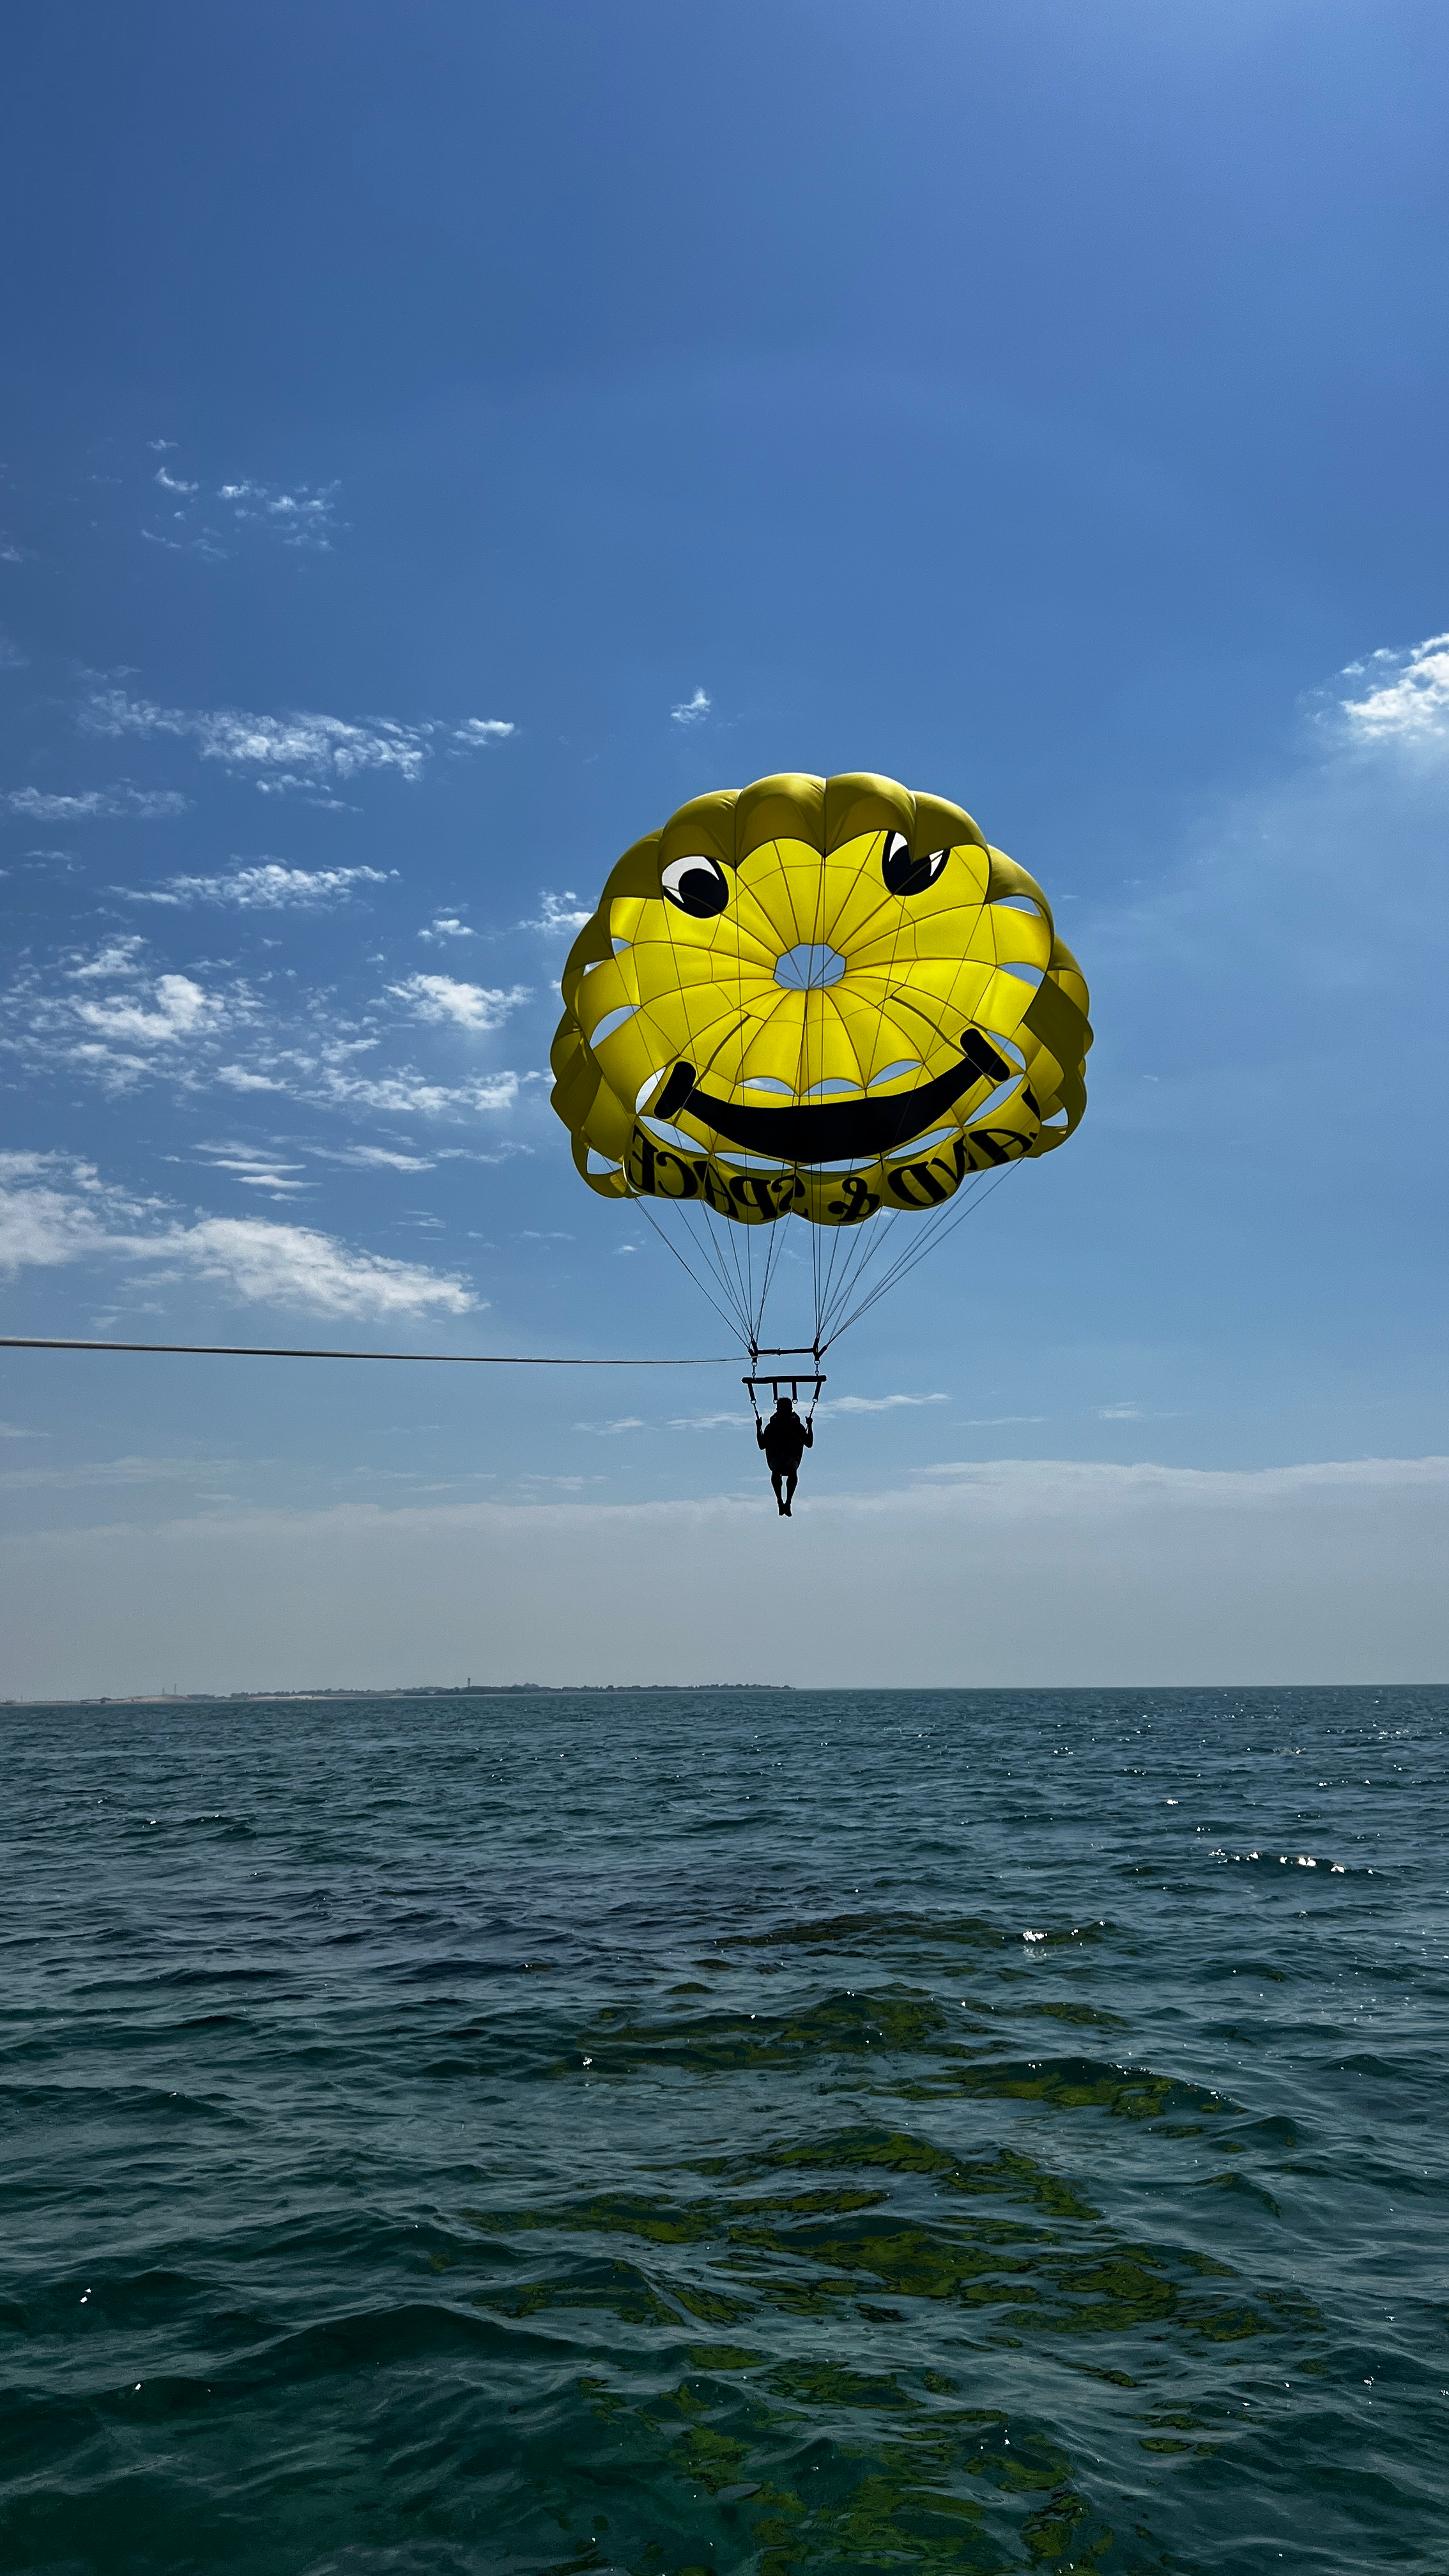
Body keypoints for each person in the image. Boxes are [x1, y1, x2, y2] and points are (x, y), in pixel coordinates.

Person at [757, 1393, 813, 1516]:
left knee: (792, 1470)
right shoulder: (772, 1427)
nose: (784, 1413)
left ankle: (788, 1502)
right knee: (776, 1470)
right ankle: (780, 1501)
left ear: (791, 1410)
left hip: (792, 1457)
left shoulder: (797, 1427)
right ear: (778, 1410)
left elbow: (809, 1443)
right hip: (775, 1457)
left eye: (786, 1410)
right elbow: (762, 1445)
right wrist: (758, 1428)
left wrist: (810, 1426)